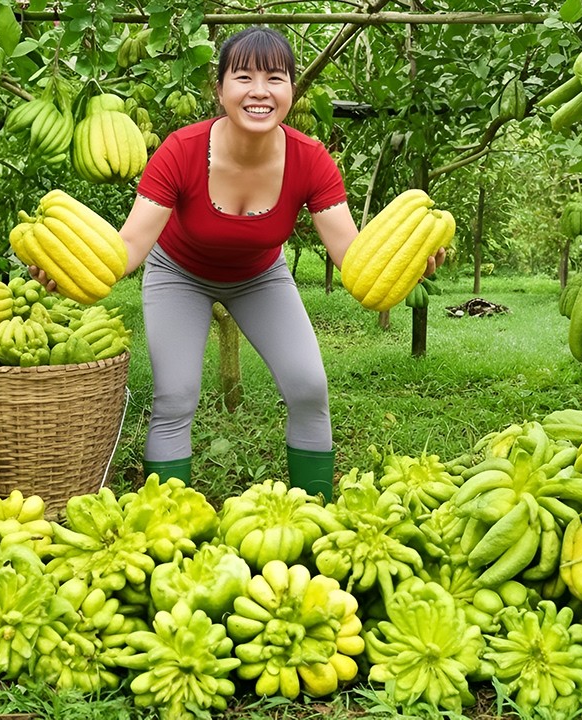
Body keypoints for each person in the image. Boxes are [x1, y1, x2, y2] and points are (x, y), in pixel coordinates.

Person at [32, 26, 444, 500]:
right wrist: (65, 267)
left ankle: (316, 512)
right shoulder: (181, 151)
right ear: (221, 89)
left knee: (310, 387)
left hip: (260, 278)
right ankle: (166, 523)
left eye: (275, 78)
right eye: (243, 76)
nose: (260, 91)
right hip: (178, 275)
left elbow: (352, 259)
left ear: (292, 89)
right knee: (175, 396)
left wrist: (409, 261)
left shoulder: (311, 160)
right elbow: (128, 249)